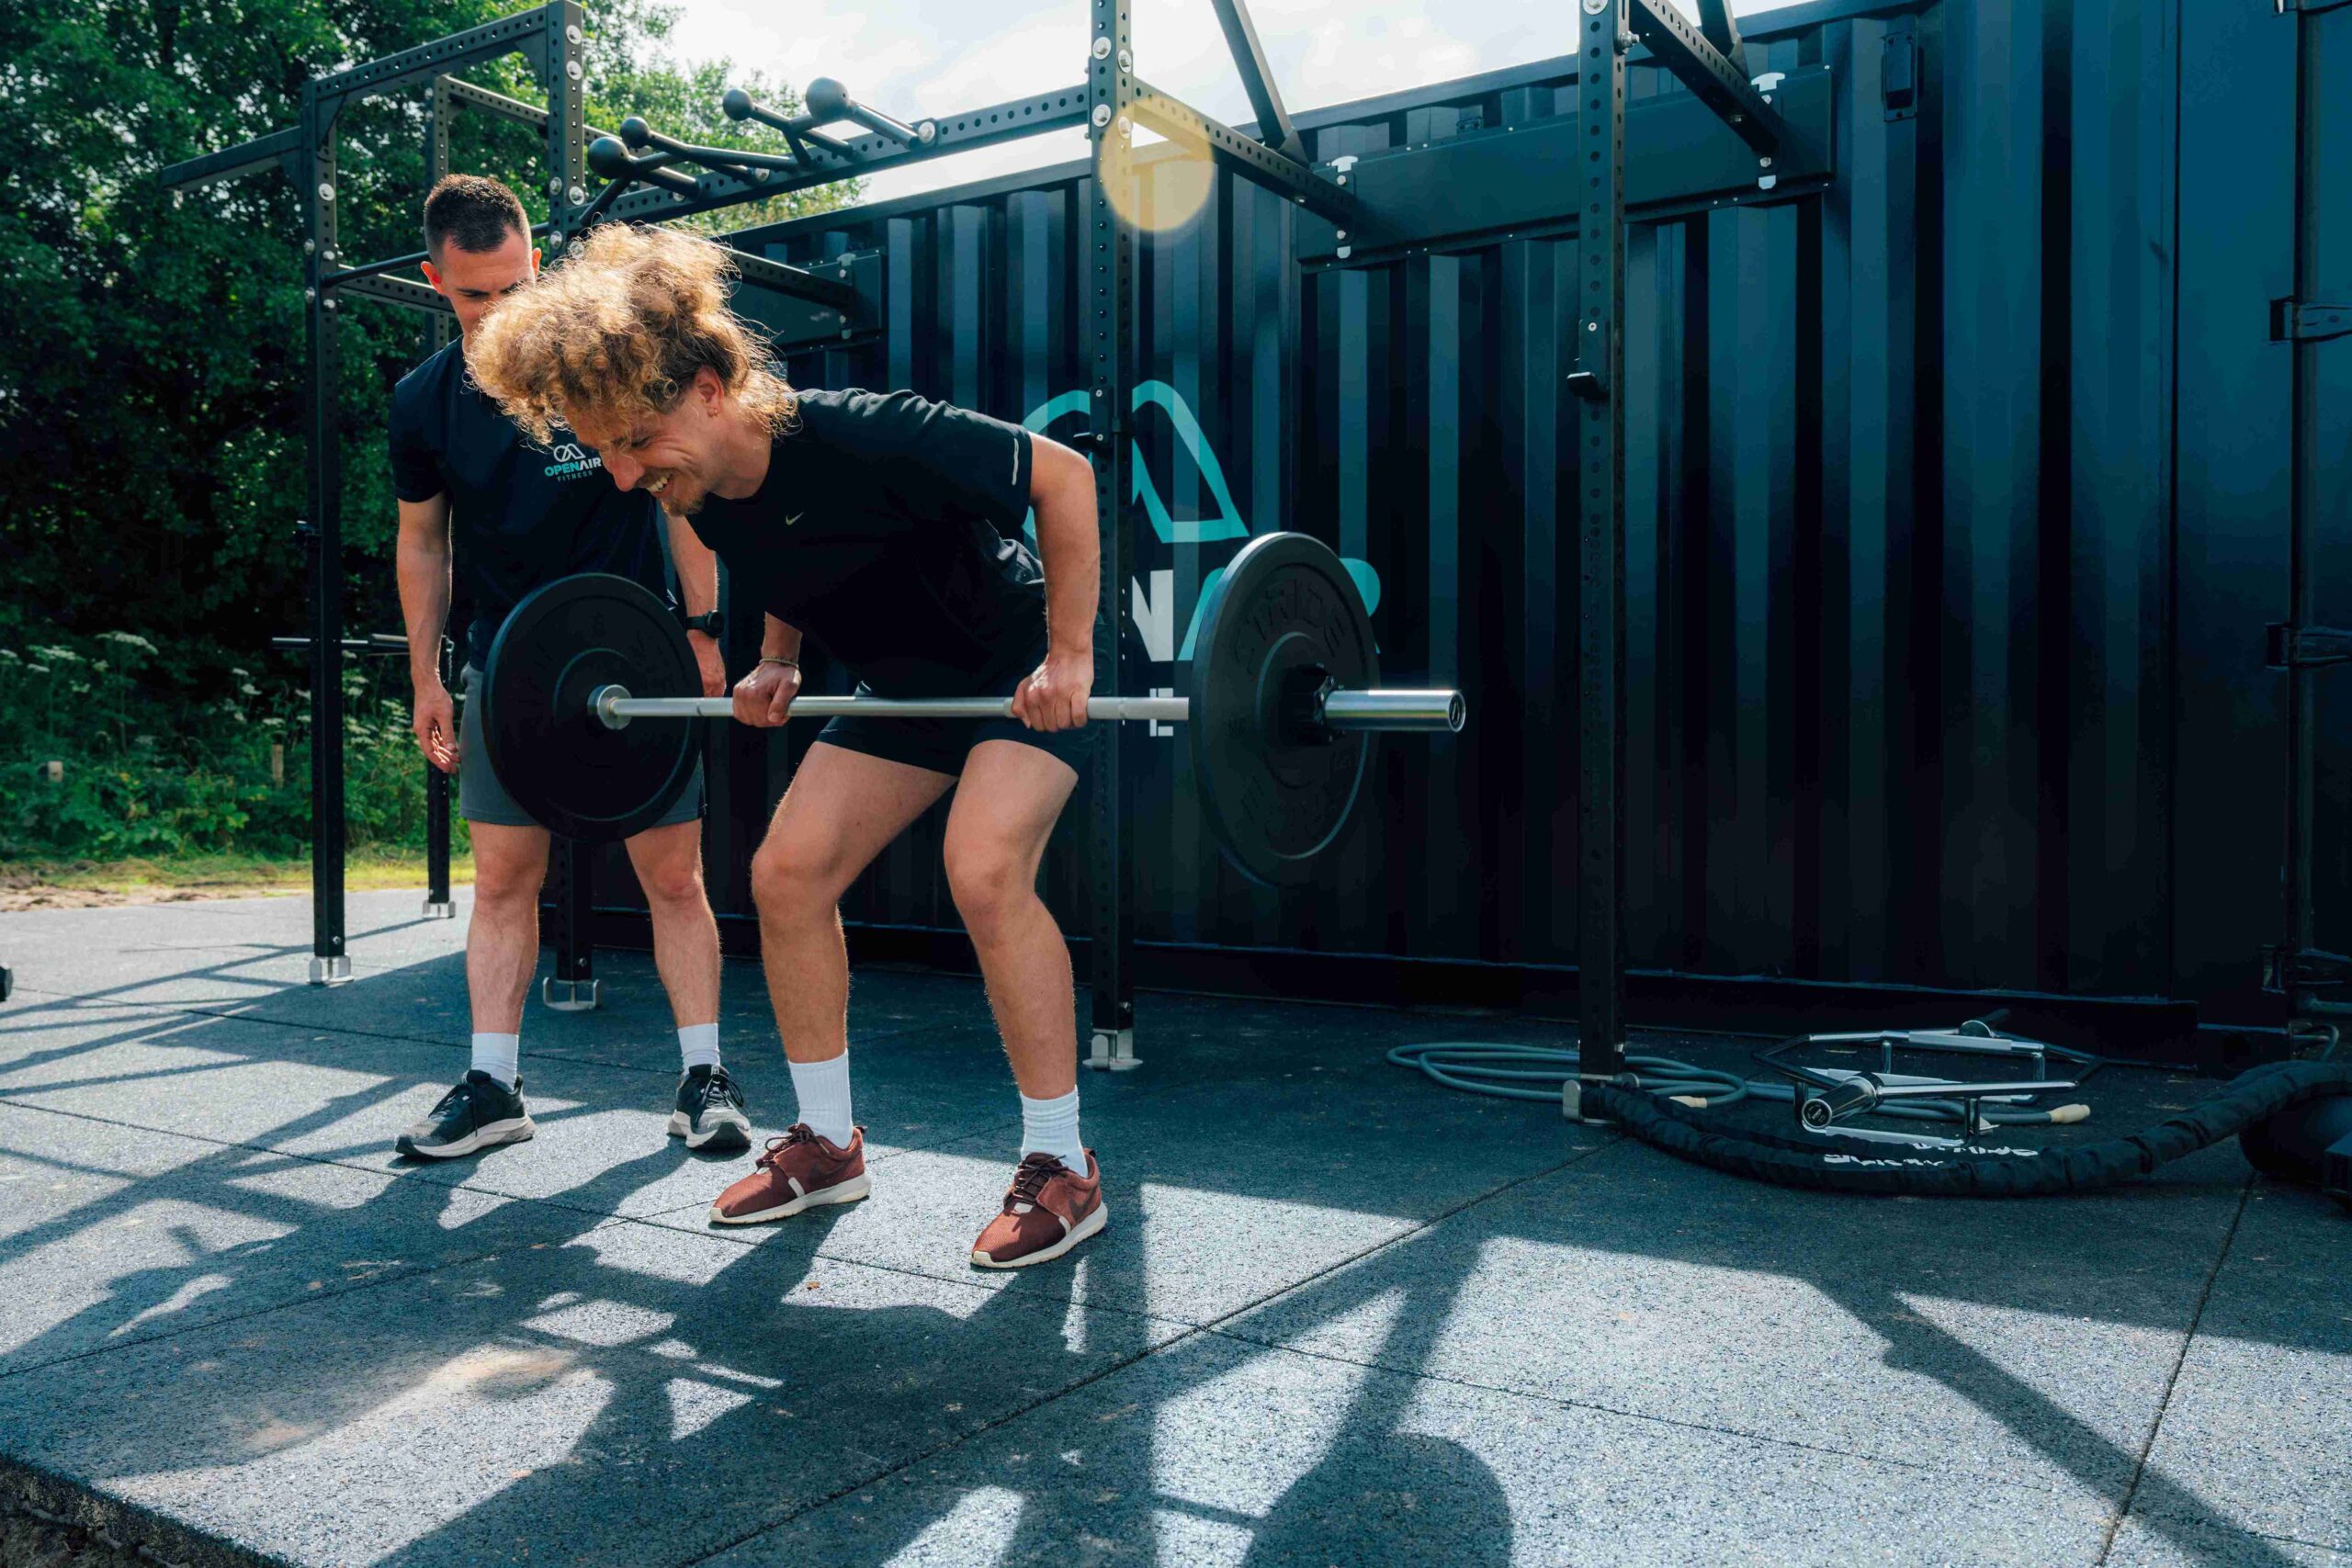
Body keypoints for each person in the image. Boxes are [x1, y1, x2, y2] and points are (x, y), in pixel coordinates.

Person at [468, 222, 1107, 1269]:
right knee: (787, 873)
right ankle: (828, 1142)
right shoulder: (704, 489)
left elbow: (1066, 478)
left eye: (636, 440)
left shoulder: (869, 433)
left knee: (984, 869)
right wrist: (777, 657)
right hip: (907, 686)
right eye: (606, 450)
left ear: (710, 389)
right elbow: (782, 555)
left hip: (1020, 662)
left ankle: (1063, 1163)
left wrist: (1071, 654)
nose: (623, 475)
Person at [388, 178, 751, 1161]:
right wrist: (425, 677)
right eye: (475, 295)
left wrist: (704, 629)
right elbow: (422, 543)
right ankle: (493, 1087)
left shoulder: (601, 365)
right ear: (435, 282)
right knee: (505, 879)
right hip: (508, 668)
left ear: (537, 265)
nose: (497, 309)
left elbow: (679, 493)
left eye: (514, 287)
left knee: (673, 876)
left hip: (632, 654)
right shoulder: (423, 403)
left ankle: (705, 1079)